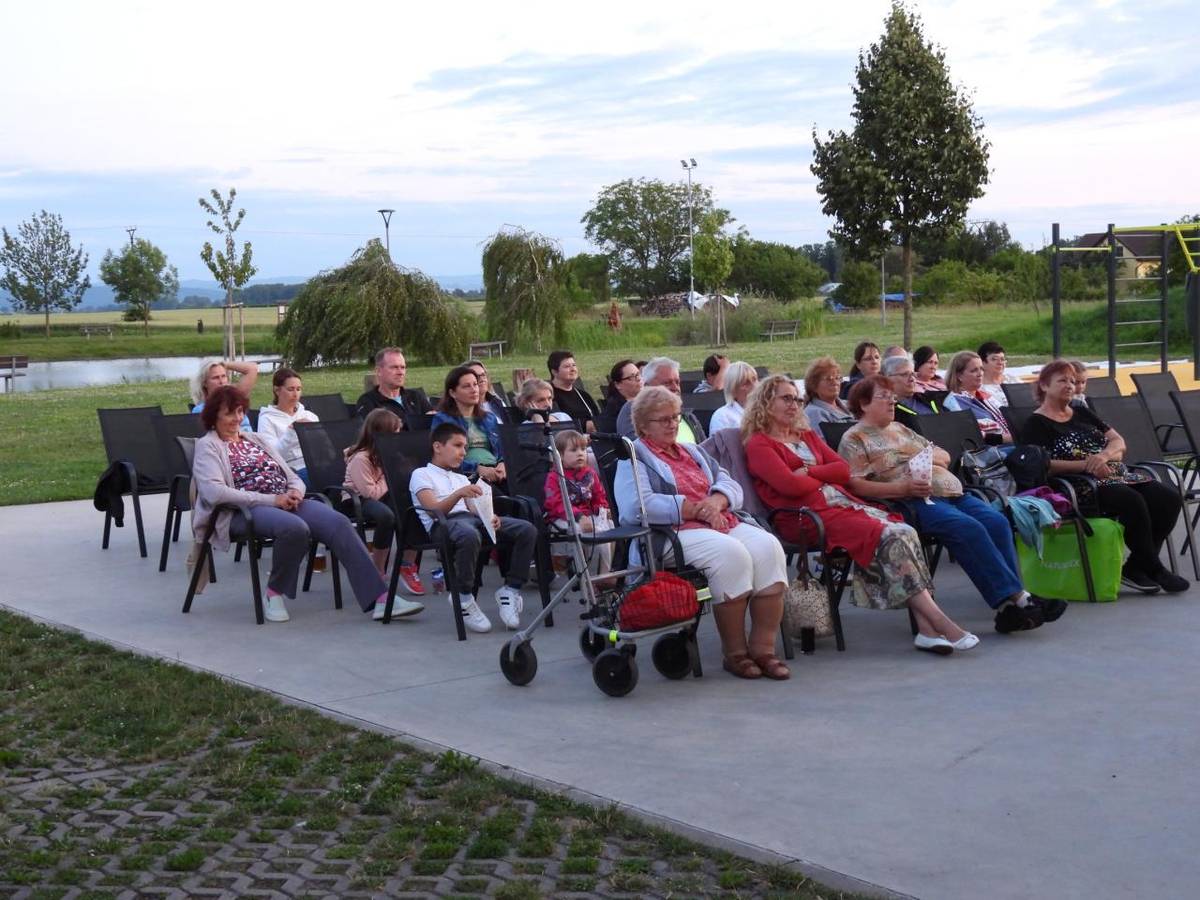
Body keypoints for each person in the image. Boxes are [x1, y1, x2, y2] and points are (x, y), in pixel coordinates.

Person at [743, 375, 976, 653]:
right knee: (891, 533)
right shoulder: (759, 445)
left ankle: (926, 630)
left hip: (840, 506)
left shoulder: (804, 435)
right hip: (805, 518)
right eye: (786, 398)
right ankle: (939, 621)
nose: (794, 404)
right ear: (766, 402)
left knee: (905, 531)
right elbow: (790, 487)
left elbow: (842, 470)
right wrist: (820, 476)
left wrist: (808, 471)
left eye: (797, 398)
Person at [838, 376, 1061, 633]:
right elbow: (855, 486)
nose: (892, 401)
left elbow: (943, 455)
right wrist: (902, 486)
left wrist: (920, 458)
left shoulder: (901, 429)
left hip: (953, 492)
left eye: (892, 396)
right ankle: (1022, 599)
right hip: (912, 500)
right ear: (864, 404)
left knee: (997, 522)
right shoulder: (855, 439)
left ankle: (1009, 609)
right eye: (883, 397)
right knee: (968, 528)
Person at [191, 385, 424, 623]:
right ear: (214, 416)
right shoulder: (207, 446)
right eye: (230, 413)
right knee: (294, 528)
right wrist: (273, 500)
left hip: (285, 500)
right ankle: (274, 593)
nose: (238, 418)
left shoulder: (255, 439)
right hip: (243, 511)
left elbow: (289, 472)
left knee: (338, 522)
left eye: (241, 411)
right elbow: (214, 493)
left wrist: (296, 491)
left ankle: (381, 600)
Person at [615, 386, 790, 679]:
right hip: (673, 532)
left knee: (768, 547)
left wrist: (716, 501)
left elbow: (731, 484)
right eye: (664, 419)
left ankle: (764, 650)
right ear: (643, 425)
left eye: (676, 417)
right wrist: (694, 509)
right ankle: (735, 654)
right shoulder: (634, 458)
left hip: (719, 521)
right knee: (731, 555)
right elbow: (637, 507)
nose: (673, 424)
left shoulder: (692, 451)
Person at [1021, 359, 1187, 594]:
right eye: (1062, 380)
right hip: (1079, 484)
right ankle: (1154, 567)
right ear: (1044, 386)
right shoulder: (1036, 423)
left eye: (1072, 380)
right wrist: (1086, 465)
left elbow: (1118, 441)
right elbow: (1043, 466)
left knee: (1168, 498)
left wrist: (1104, 456)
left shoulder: (1080, 411)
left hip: (1114, 473)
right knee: (1130, 500)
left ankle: (1137, 566)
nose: (1070, 385)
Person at [410, 421, 538, 632]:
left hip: (470, 522)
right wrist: (459, 493)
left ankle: (511, 590)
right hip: (442, 526)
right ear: (438, 446)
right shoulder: (421, 474)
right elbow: (434, 509)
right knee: (469, 534)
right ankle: (464, 596)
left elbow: (473, 509)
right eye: (458, 446)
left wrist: (491, 517)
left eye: (465, 448)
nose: (463, 452)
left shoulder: (461, 477)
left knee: (526, 529)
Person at [543, 429, 613, 581]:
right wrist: (579, 516)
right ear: (560, 455)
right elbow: (556, 504)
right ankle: (590, 578)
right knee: (585, 531)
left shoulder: (590, 473)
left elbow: (599, 496)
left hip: (588, 515)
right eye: (574, 450)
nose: (580, 453)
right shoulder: (554, 477)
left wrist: (602, 510)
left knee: (610, 526)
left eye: (583, 449)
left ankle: (604, 576)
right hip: (564, 517)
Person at [342, 409, 403, 578]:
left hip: (379, 497)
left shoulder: (387, 454)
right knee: (386, 516)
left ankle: (405, 563)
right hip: (355, 501)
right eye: (395, 432)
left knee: (405, 508)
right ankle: (377, 567)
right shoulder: (361, 459)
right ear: (382, 434)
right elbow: (371, 493)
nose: (398, 436)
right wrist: (389, 475)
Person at [432, 366, 506, 483]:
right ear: (452, 393)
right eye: (466, 386)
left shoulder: (489, 418)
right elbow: (444, 457)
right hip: (467, 477)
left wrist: (503, 464)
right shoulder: (443, 420)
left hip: (497, 472)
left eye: (475, 384)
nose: (474, 389)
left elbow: (503, 449)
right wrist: (477, 468)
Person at [616, 357, 703, 443]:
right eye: (667, 383)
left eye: (677, 382)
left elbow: (707, 453)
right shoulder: (634, 410)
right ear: (647, 386)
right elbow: (637, 451)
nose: (675, 387)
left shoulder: (688, 417)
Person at [256, 368, 319, 484]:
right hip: (290, 471)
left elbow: (325, 448)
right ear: (277, 390)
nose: (295, 394)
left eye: (298, 389)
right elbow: (273, 454)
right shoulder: (267, 419)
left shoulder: (309, 416)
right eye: (290, 389)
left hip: (316, 464)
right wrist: (292, 431)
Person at [944, 350, 1012, 443]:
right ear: (959, 375)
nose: (980, 374)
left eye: (981, 369)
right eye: (974, 370)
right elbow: (971, 434)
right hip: (989, 451)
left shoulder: (986, 397)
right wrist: (1010, 438)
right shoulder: (954, 402)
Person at [355, 347, 433, 422]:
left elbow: (434, 421)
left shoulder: (415, 397)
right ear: (378, 371)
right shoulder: (368, 402)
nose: (400, 372)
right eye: (394, 367)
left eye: (403, 367)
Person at [191, 359, 259, 429]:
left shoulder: (235, 397)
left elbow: (252, 368)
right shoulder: (201, 409)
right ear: (204, 383)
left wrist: (222, 364)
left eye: (223, 376)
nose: (222, 382)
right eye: (216, 378)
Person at [883, 355, 942, 430]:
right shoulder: (889, 410)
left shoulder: (930, 398)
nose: (912, 379)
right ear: (887, 378)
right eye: (905, 374)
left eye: (913, 374)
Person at [547, 350, 600, 432]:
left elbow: (598, 418)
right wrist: (585, 426)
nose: (573, 369)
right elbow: (556, 423)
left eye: (574, 365)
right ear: (554, 372)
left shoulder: (583, 395)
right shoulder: (549, 396)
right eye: (567, 366)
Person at [803, 356, 855, 430]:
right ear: (813, 385)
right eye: (829, 379)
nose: (835, 383)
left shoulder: (848, 404)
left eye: (837, 378)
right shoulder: (814, 413)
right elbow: (821, 441)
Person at [708, 361, 758, 433]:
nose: (754, 385)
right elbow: (720, 443)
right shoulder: (722, 416)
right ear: (733, 389)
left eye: (754, 379)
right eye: (746, 383)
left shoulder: (766, 412)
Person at [977, 341, 1018, 407]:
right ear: (982, 362)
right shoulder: (980, 389)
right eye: (994, 359)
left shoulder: (1012, 379)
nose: (1000, 363)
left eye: (1002, 359)